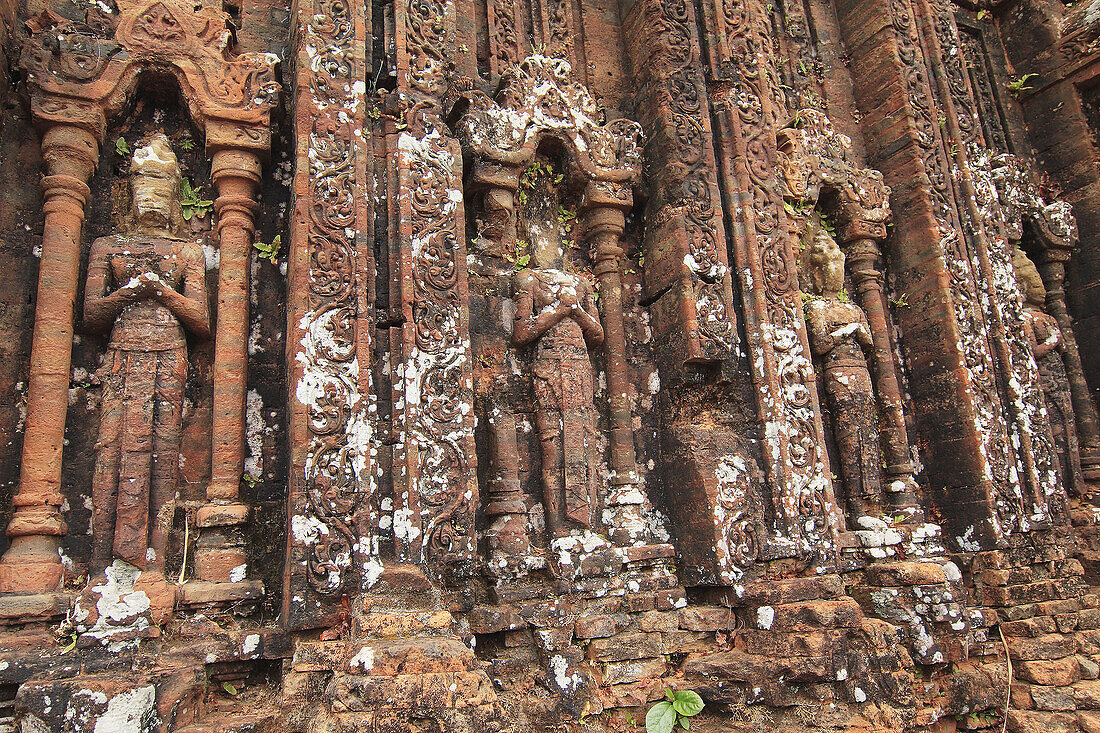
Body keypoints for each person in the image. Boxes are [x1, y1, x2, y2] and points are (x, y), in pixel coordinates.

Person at [83, 133, 210, 574]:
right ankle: (103, 562)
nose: (151, 194)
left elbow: (200, 318)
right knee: (111, 450)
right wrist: (127, 292)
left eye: (161, 184)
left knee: (163, 452)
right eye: (143, 183)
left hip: (168, 352)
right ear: (129, 191)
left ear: (176, 193)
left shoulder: (185, 252)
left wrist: (158, 290)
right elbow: (91, 316)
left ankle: (154, 558)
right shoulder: (107, 247)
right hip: (122, 352)